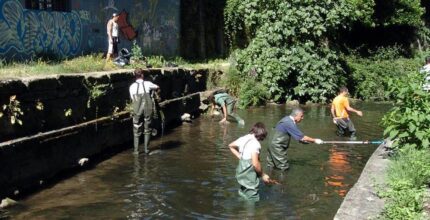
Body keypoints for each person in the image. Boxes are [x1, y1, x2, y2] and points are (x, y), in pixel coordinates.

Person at [229, 122, 277, 201]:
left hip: (241, 171)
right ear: (262, 135)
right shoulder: (255, 144)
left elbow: (231, 146)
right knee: (252, 197)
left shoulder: (244, 138)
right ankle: (251, 213)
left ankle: (241, 210)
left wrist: (240, 156)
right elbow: (255, 164)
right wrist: (263, 175)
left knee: (243, 192)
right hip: (249, 173)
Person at [129, 68, 159, 154]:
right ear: (142, 75)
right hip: (147, 107)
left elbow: (133, 98)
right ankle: (146, 149)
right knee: (147, 128)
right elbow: (157, 87)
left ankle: (136, 151)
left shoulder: (131, 86)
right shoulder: (148, 83)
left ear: (135, 76)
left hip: (137, 108)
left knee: (136, 127)